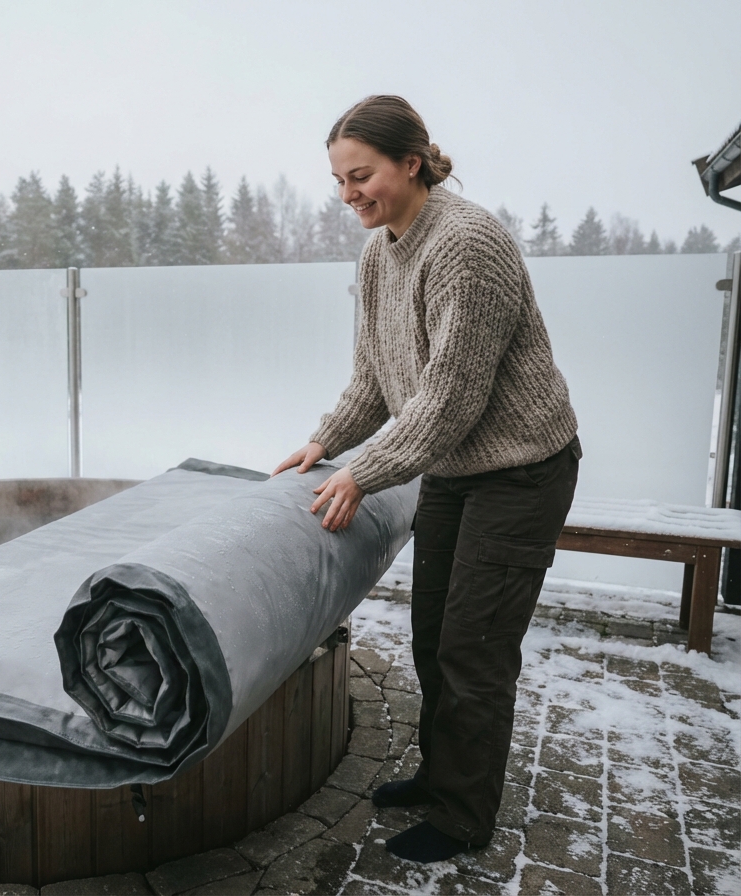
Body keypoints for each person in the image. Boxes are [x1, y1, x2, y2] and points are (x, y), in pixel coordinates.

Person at [274, 95, 580, 864]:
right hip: (451, 466)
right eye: (340, 182)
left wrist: (362, 474)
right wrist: (324, 442)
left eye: (362, 176)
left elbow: (450, 397)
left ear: (411, 162)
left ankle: (463, 815)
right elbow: (376, 376)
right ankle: (442, 774)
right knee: (434, 633)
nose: (351, 196)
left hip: (521, 471)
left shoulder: (467, 245)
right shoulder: (381, 251)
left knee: (474, 650)